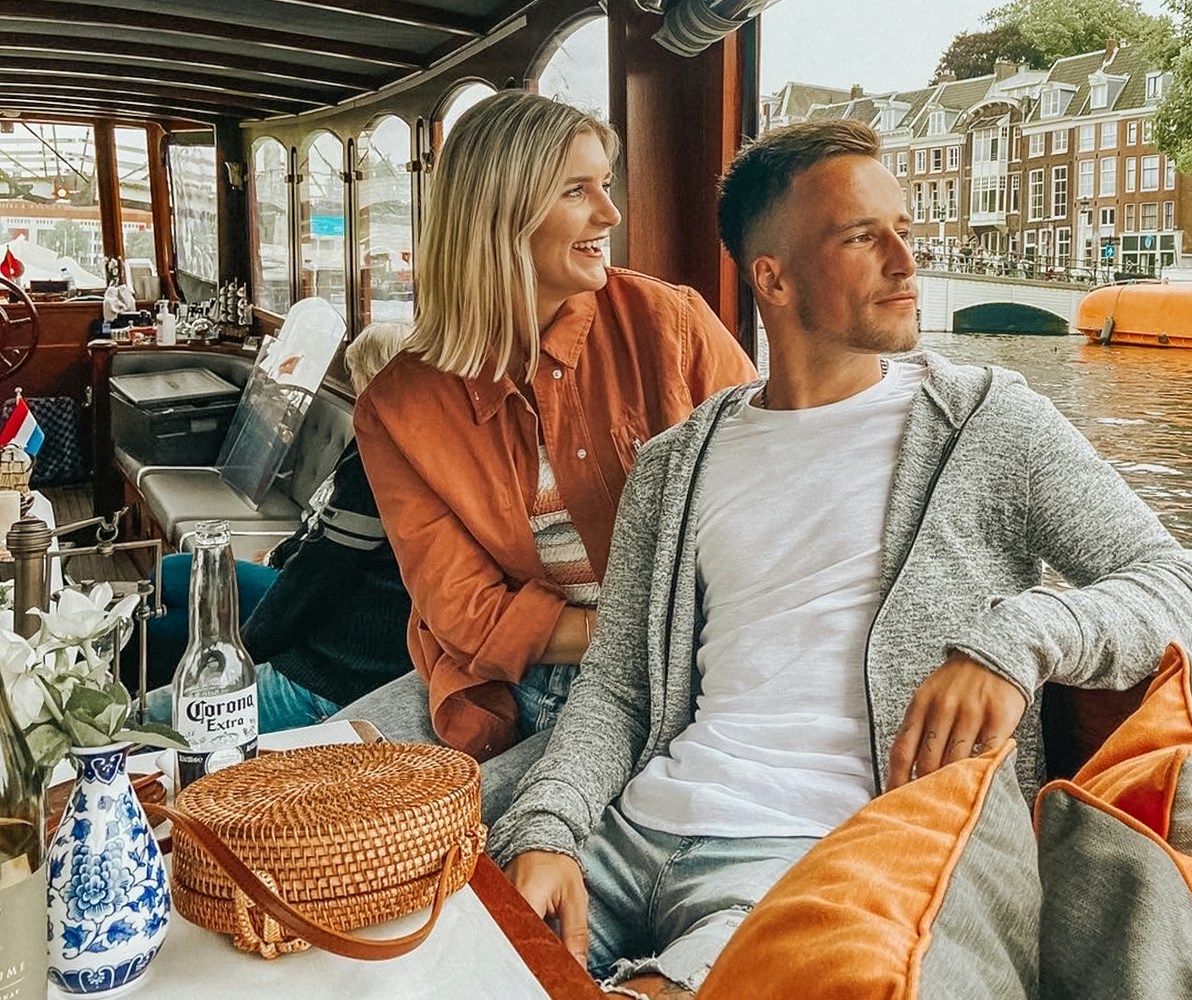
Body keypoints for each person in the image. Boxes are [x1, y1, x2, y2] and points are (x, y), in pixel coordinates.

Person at [488, 119, 1192, 998]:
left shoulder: (988, 424)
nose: (907, 263)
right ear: (773, 277)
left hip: (819, 860)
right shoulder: (675, 464)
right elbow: (616, 688)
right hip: (627, 834)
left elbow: (1187, 595)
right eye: (862, 237)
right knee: (437, 960)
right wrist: (545, 828)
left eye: (905, 232)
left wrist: (1017, 639)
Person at [337, 91, 755, 819]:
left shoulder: (671, 325)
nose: (610, 214)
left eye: (606, 185)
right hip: (494, 682)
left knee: (446, 844)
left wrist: (651, 646)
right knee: (317, 797)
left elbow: (776, 503)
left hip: (662, 688)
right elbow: (462, 612)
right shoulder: (400, 406)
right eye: (576, 191)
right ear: (500, 214)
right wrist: (621, 632)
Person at [145, 321, 413, 731]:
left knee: (143, 713)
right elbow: (325, 545)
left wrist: (245, 653)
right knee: (166, 597)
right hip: (333, 639)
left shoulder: (382, 450)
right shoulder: (402, 439)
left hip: (331, 678)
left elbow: (323, 569)